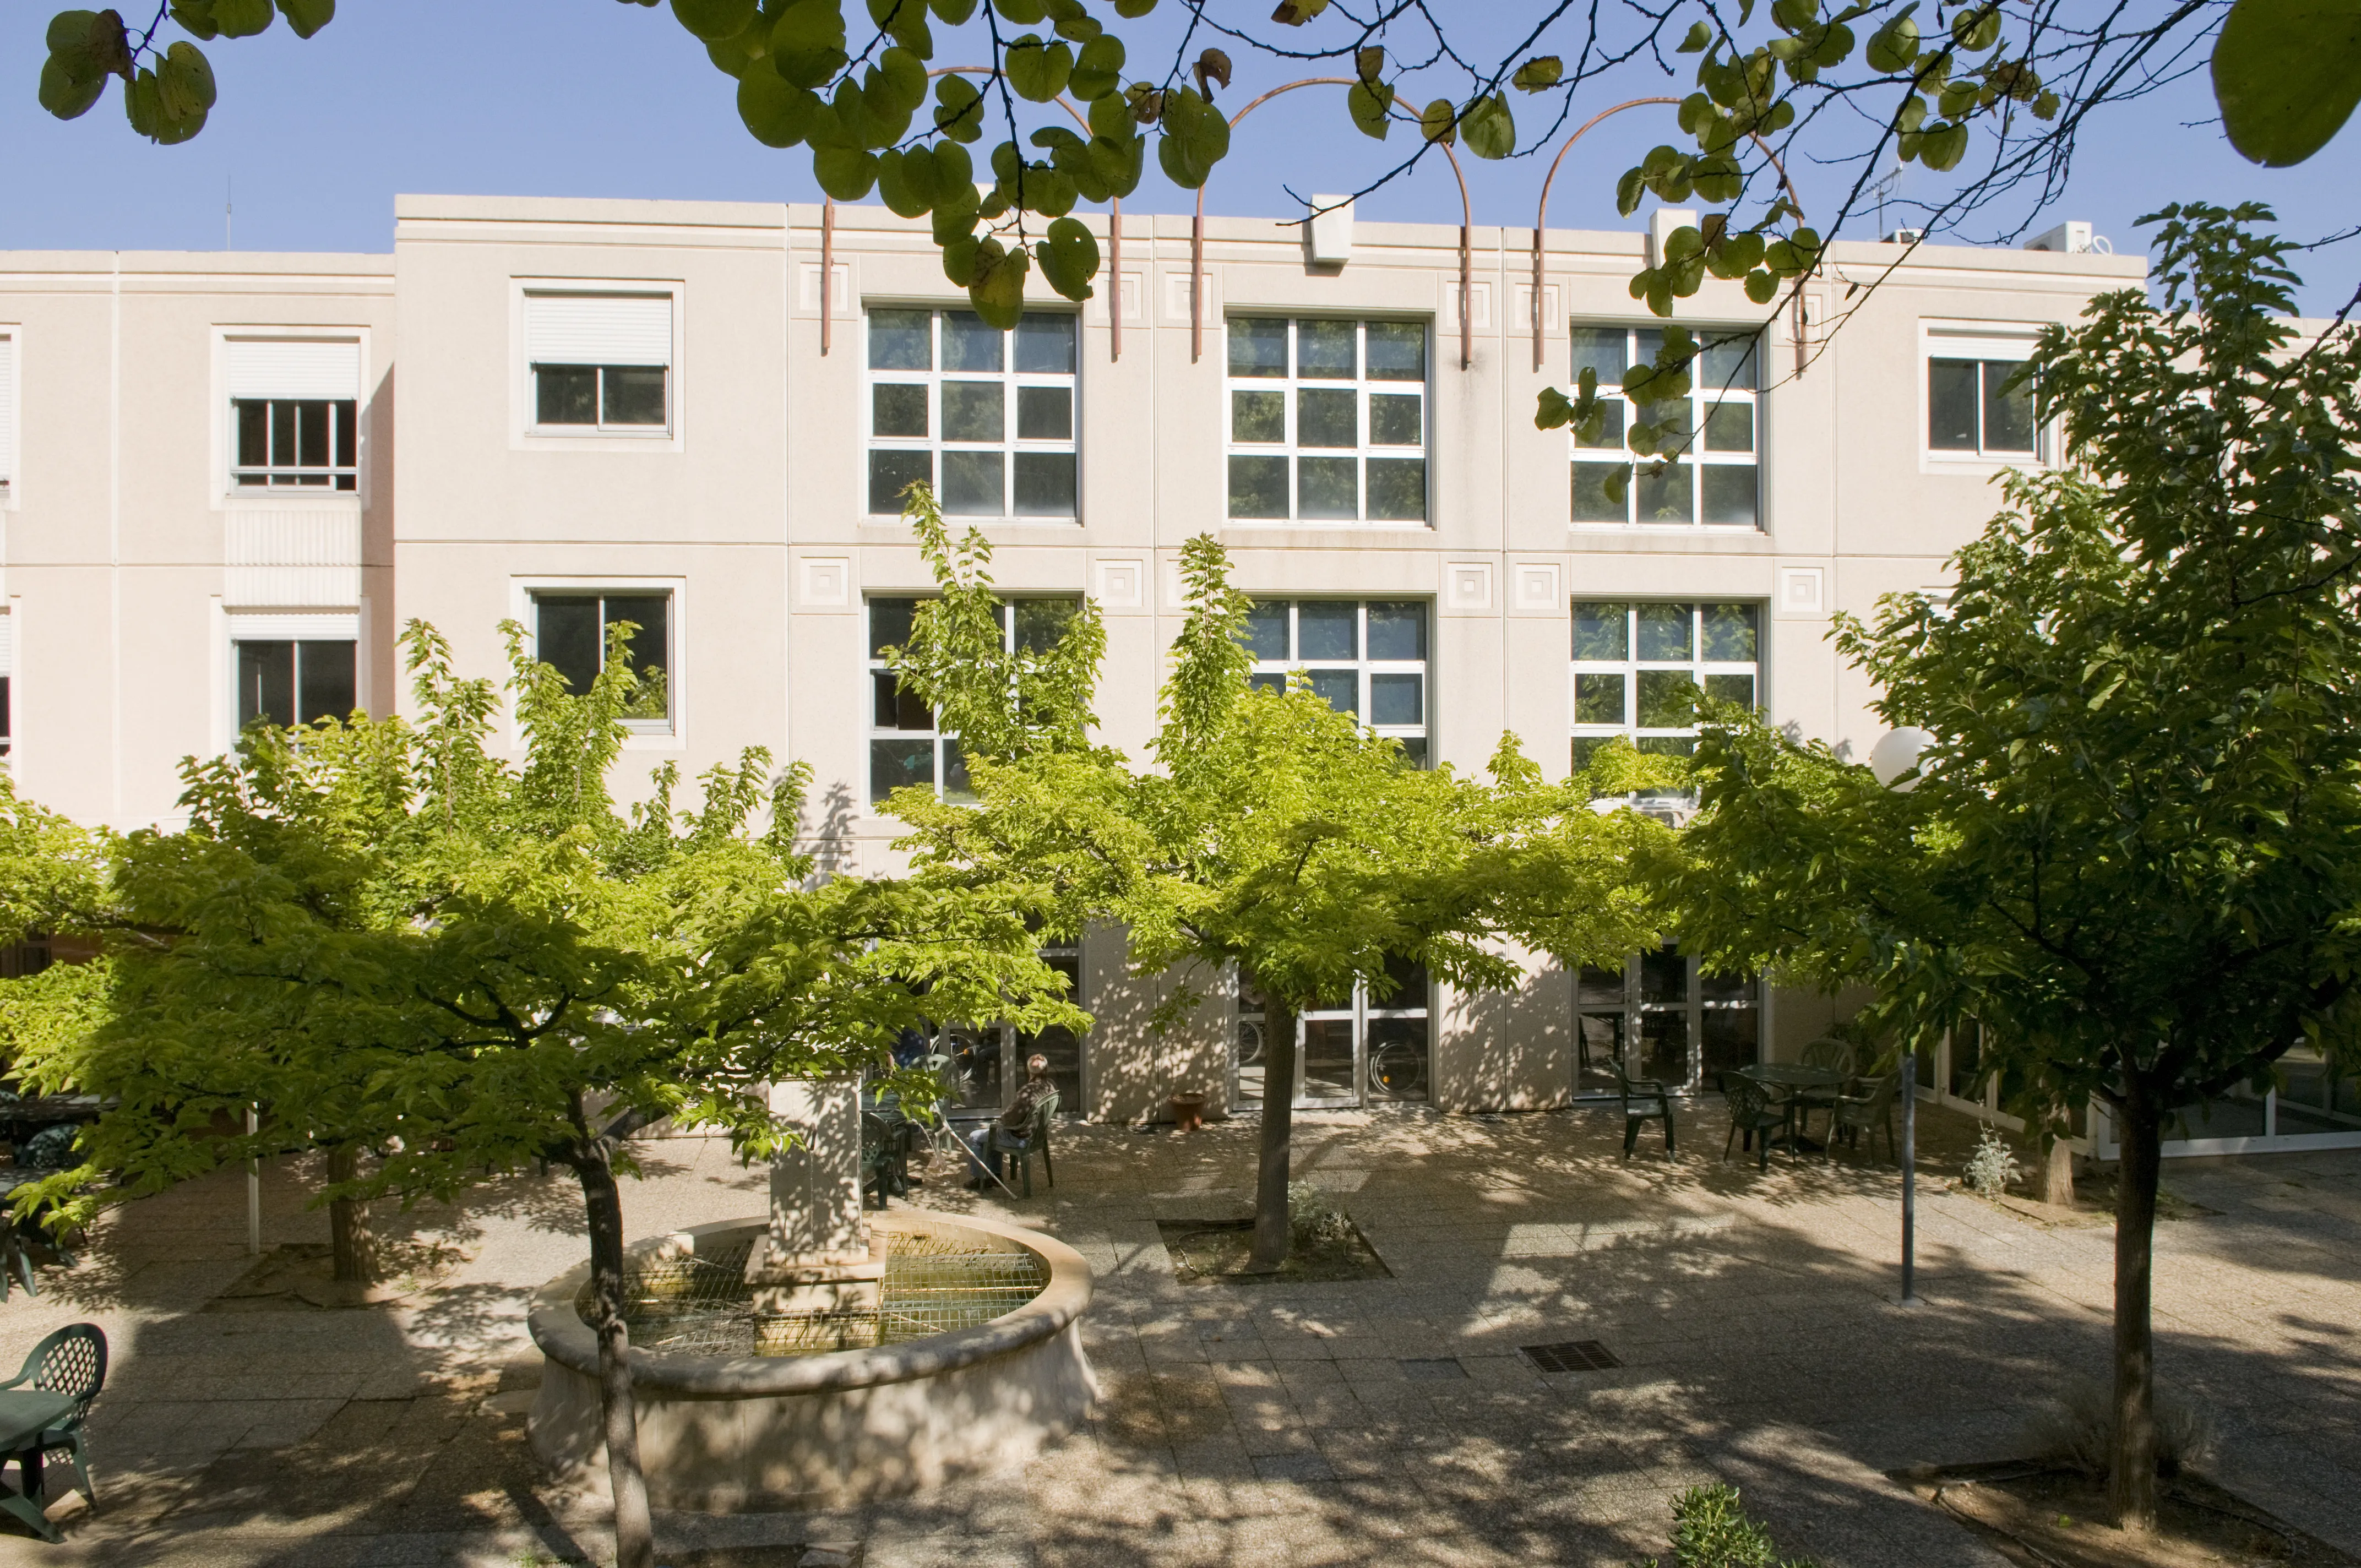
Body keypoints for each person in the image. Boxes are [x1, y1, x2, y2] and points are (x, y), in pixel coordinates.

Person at [964, 1054, 1056, 1191]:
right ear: (1046, 1069)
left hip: (1021, 1138)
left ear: (1028, 1070)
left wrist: (1000, 1120)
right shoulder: (1051, 1085)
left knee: (976, 1136)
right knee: (994, 1133)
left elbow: (1009, 1119)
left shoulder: (1028, 1092)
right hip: (1037, 1135)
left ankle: (981, 1178)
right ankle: (996, 1175)